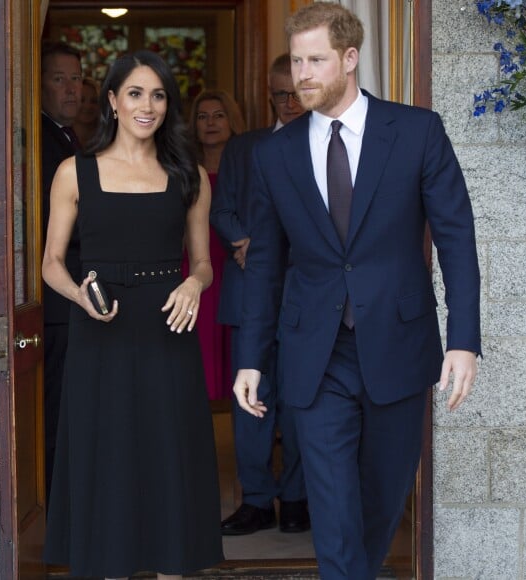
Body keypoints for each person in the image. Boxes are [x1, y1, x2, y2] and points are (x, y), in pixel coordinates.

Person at [232, 3, 481, 579]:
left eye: (316, 59)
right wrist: (251, 358)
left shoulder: (417, 131)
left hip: (399, 344)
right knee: (333, 505)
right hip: (315, 356)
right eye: (296, 61)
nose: (303, 75)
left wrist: (463, 340)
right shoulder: (274, 154)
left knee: (380, 500)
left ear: (349, 58)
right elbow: (265, 264)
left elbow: (456, 239)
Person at [42, 49, 224, 579]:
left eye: (159, 95)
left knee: (171, 466)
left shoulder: (188, 174)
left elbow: (204, 264)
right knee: (110, 468)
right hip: (100, 335)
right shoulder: (74, 173)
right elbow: (52, 264)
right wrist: (80, 296)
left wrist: (194, 283)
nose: (148, 105)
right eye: (137, 93)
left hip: (169, 332)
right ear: (114, 102)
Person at [211, 54, 310, 536]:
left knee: (298, 400)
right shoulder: (243, 147)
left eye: (297, 92)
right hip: (248, 289)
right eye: (280, 94)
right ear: (267, 95)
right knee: (249, 401)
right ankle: (254, 500)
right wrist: (246, 241)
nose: (289, 103)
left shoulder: (325, 143)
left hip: (306, 296)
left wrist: (276, 249)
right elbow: (222, 207)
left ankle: (295, 499)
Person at [40, 40, 83, 503]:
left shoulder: (70, 136)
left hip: (72, 298)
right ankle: (56, 509)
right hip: (55, 299)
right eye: (59, 79)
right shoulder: (41, 139)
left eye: (77, 79)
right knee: (56, 411)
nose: (71, 89)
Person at [183, 90, 245, 400]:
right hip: (194, 263)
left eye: (218, 115)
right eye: (202, 117)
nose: (210, 123)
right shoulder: (182, 170)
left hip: (234, 261)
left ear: (232, 121)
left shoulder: (248, 166)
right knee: (201, 339)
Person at [72, 76, 100, 149]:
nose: (88, 106)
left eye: (94, 101)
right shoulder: (58, 137)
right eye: (82, 100)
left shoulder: (107, 138)